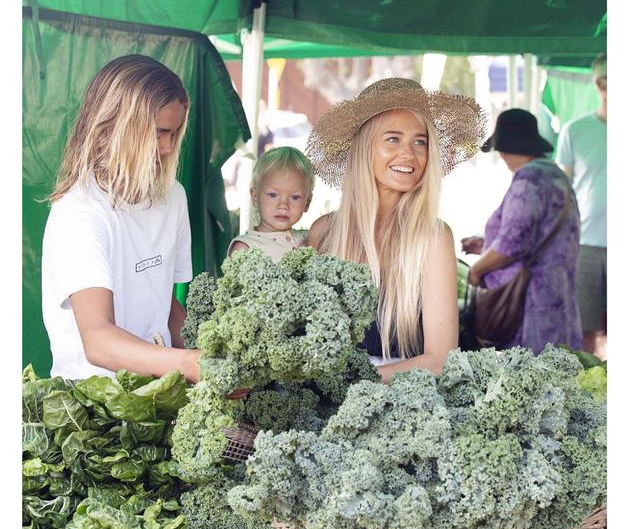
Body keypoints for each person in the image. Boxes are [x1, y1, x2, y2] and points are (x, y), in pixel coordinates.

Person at [306, 77, 487, 381]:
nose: (409, 154)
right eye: (393, 139)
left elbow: (441, 359)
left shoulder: (433, 238)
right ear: (364, 147)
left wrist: (355, 383)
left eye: (420, 142)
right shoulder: (324, 232)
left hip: (403, 410)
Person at [41, 54, 202, 382]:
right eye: (159, 133)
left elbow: (166, 305)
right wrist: (188, 364)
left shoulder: (174, 196)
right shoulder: (80, 212)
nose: (168, 148)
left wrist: (216, 359)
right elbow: (98, 340)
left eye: (174, 134)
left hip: (160, 396)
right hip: (91, 407)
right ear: (116, 126)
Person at [462, 108, 582, 354]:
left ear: (506, 148)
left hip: (530, 307)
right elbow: (537, 236)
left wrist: (478, 269)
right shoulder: (555, 176)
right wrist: (487, 244)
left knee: (533, 379)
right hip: (560, 299)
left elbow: (511, 247)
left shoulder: (528, 180)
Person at [555, 54, 607, 358]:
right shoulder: (574, 131)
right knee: (585, 328)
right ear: (600, 83)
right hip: (585, 245)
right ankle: (593, 393)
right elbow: (563, 193)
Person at [227, 146, 314, 262]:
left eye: (295, 197)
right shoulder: (245, 248)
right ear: (255, 197)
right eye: (273, 195)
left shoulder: (309, 239)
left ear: (307, 202)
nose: (283, 205)